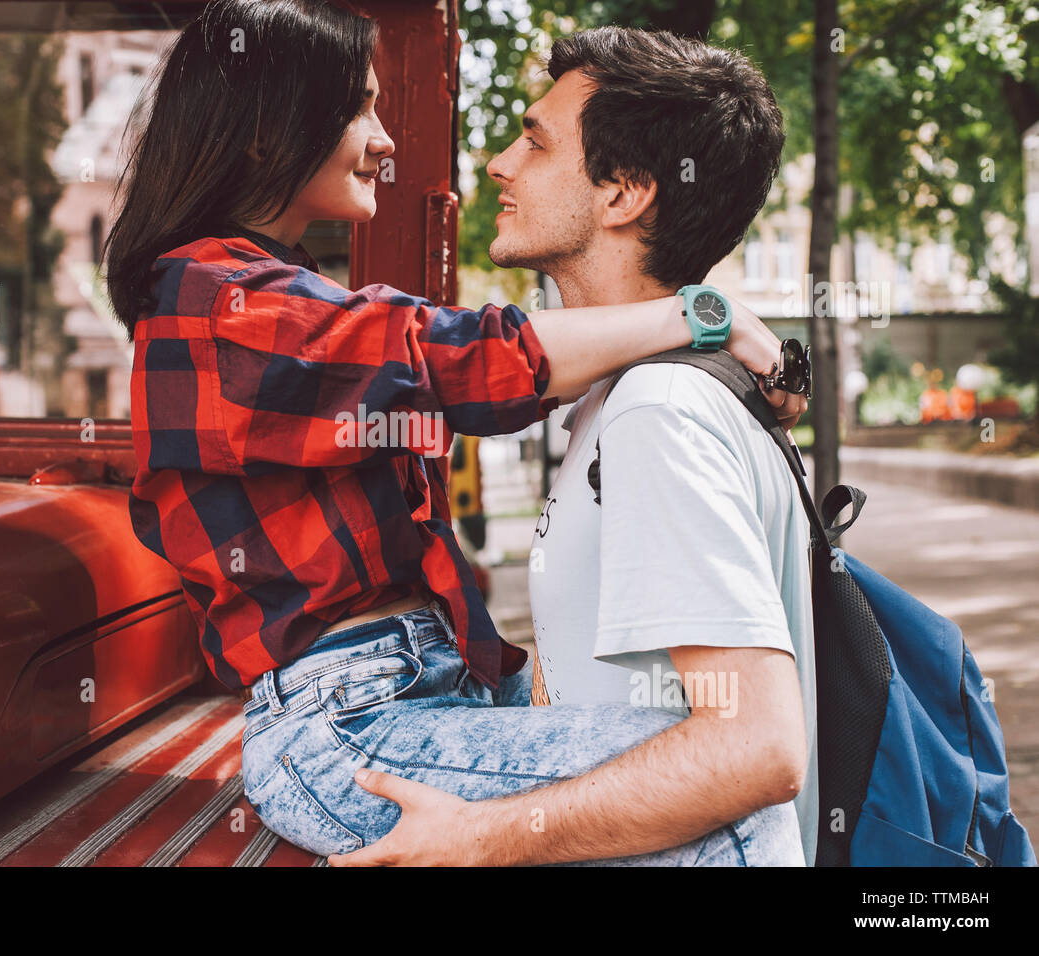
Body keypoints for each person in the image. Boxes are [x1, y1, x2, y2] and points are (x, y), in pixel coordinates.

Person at [111, 0, 805, 865]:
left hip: (418, 688)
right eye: (358, 108)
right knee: (724, 796)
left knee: (695, 769)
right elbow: (463, 360)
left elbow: (463, 367)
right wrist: (703, 315)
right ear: (265, 132)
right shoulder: (216, 302)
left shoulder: (273, 293)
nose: (387, 138)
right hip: (348, 723)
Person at [331, 26, 819, 867]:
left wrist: (480, 838)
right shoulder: (632, 393)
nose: (500, 165)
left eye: (535, 140)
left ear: (622, 193)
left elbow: (758, 746)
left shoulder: (658, 411)